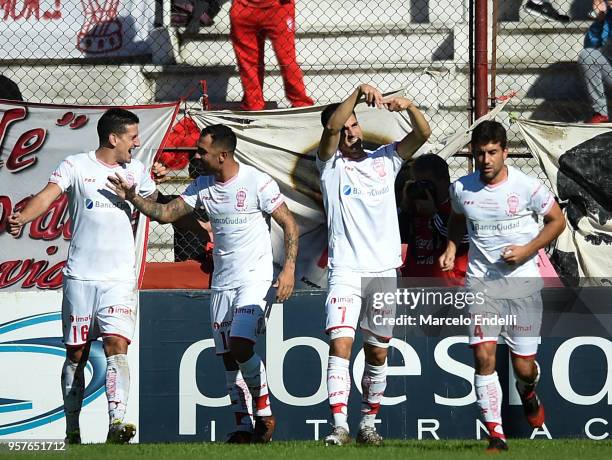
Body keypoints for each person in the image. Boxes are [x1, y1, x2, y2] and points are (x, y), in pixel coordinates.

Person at [107, 124, 299, 443]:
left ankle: (263, 414)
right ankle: (242, 425)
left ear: (222, 155)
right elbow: (167, 213)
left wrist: (289, 268)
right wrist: (133, 197)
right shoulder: (203, 185)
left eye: (202, 151)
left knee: (240, 344)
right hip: (222, 281)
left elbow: (289, 223)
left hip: (255, 278)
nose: (196, 155)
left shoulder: (257, 182)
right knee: (227, 356)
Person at [8, 108, 164, 444]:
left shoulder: (136, 171)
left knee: (116, 345)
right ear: (113, 138)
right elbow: (47, 196)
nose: (136, 143)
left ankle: (117, 423)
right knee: (76, 353)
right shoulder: (76, 166)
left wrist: (153, 187)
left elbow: (155, 204)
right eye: (132, 137)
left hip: (119, 279)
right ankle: (72, 428)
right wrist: (22, 217)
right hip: (80, 276)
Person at [439, 120, 566, 452]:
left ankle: (528, 391)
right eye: (480, 153)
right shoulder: (462, 189)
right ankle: (496, 434)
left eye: (492, 152)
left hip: (522, 286)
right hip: (482, 285)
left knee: (523, 367)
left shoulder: (527, 187)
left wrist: (526, 250)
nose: (486, 160)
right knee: (483, 357)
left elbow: (558, 221)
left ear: (505, 152)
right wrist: (452, 247)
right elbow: (456, 217)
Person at [317, 84, 431, 445]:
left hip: (383, 272)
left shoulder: (386, 159)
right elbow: (332, 128)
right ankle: (340, 426)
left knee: (378, 351)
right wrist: (355, 91)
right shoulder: (330, 166)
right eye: (346, 128)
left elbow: (423, 133)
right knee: (341, 344)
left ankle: (368, 424)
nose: (352, 132)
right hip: (346, 271)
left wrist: (409, 105)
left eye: (355, 125)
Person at [230, 0, 314, 110]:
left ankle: (301, 103)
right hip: (246, 8)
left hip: (277, 7)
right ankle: (253, 104)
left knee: (286, 59)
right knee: (248, 63)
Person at [399, 154, 469, 284]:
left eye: (426, 183)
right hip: (414, 286)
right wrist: (405, 207)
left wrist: (433, 215)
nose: (422, 189)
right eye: (417, 183)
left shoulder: (458, 206)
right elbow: (397, 238)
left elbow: (462, 240)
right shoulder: (415, 205)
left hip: (448, 288)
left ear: (444, 181)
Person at [578, 0, 612, 123]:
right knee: (587, 55)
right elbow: (589, 45)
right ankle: (600, 113)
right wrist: (600, 21)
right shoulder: (608, 16)